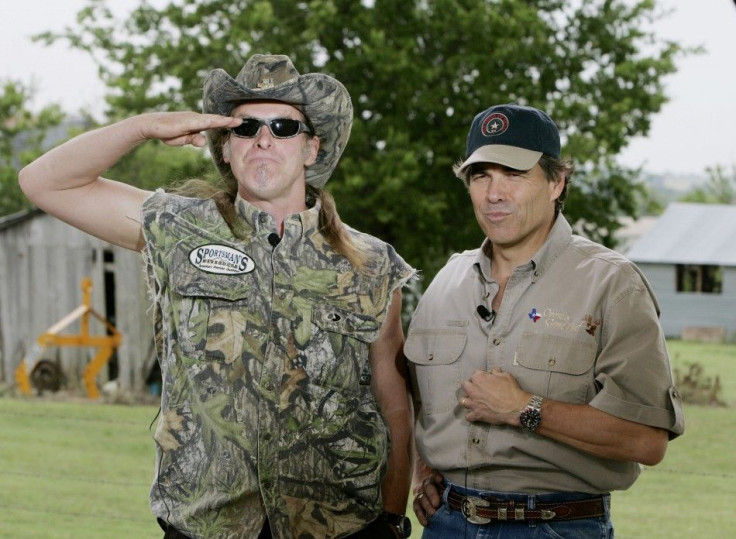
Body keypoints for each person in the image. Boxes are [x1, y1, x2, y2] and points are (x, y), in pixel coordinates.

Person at [19, 54, 416, 539]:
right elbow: (43, 182)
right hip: (209, 524)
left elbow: (392, 396)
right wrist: (144, 127)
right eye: (245, 127)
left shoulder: (370, 263)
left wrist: (392, 516)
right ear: (226, 149)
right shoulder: (176, 228)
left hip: (338, 524)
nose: (264, 138)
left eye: (283, 127)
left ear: (312, 149)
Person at [404, 103, 685, 537]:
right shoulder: (446, 281)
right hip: (448, 524)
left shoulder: (611, 283)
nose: (493, 194)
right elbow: (411, 398)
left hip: (555, 527)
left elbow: (646, 441)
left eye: (513, 175)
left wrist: (525, 409)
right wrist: (422, 469)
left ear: (556, 182)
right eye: (481, 176)